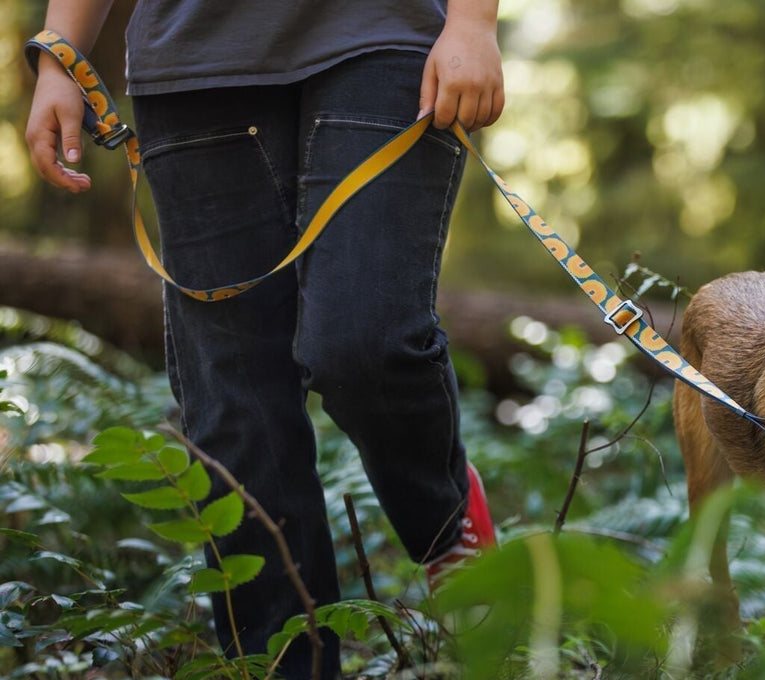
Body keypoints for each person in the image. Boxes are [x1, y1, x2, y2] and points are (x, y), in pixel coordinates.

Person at [25, 1, 503, 676]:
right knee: (234, 405)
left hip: (385, 38)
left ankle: (444, 518)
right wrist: (58, 56)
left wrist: (474, 21)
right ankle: (282, 664)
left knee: (365, 343)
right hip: (189, 64)